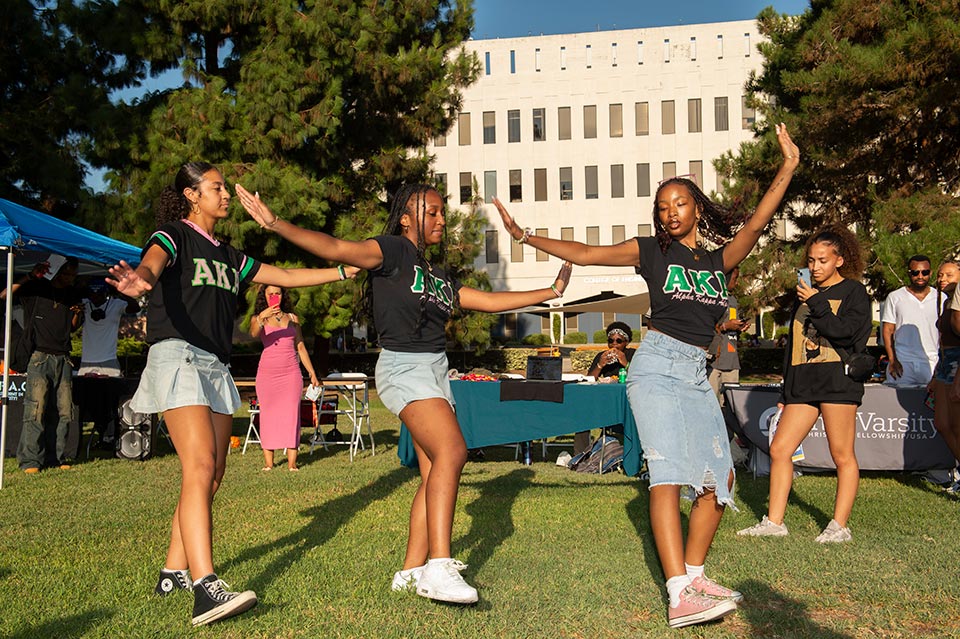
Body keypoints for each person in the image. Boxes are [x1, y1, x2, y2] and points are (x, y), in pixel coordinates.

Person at [496, 124, 799, 628]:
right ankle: (678, 592)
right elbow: (590, 254)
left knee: (718, 478)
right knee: (668, 475)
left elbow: (756, 223)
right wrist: (526, 236)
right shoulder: (651, 252)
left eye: (678, 203)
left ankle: (696, 574)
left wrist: (786, 168)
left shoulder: (718, 259)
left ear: (696, 208)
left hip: (697, 374)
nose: (669, 213)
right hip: (656, 368)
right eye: (661, 207)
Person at [236, 181, 572, 605]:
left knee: (435, 470)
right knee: (453, 452)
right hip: (402, 367)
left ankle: (412, 570)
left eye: (441, 212)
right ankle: (439, 566)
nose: (439, 219)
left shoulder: (435, 274)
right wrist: (276, 224)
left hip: (434, 370)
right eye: (429, 211)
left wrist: (552, 293)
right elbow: (337, 248)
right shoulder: (391, 251)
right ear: (406, 216)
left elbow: (484, 300)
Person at [107, 162, 350, 627]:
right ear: (192, 195)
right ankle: (205, 588)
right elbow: (151, 264)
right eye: (216, 188)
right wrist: (140, 281)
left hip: (214, 364)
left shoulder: (230, 256)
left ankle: (172, 569)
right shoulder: (173, 235)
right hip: (177, 356)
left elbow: (284, 275)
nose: (225, 195)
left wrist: (341, 271)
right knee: (197, 466)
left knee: (213, 474)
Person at [738, 224, 871, 543]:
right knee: (780, 448)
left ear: (839, 260)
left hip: (838, 382)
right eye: (811, 260)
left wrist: (816, 303)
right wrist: (786, 391)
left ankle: (839, 526)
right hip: (803, 386)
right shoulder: (805, 296)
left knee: (842, 455)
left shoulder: (853, 292)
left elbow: (846, 333)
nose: (815, 266)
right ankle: (774, 521)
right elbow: (794, 347)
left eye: (823, 260)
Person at [1, 257, 84, 473]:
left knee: (64, 411)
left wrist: (77, 313)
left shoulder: (71, 294)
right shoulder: (37, 289)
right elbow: (4, 295)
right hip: (39, 356)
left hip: (64, 357)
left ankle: (55, 457)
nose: (70, 279)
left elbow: (73, 327)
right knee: (35, 410)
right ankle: (30, 461)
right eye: (67, 274)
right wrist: (30, 275)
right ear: (58, 271)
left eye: (73, 275)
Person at [250, 284, 341, 472]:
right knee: (268, 415)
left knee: (292, 415)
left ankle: (292, 463)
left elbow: (300, 346)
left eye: (278, 293)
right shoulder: (259, 318)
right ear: (264, 296)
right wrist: (262, 316)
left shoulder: (292, 318)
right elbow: (253, 333)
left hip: (291, 373)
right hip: (267, 373)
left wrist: (312, 372)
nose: (274, 296)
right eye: (270, 294)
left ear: (283, 296)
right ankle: (269, 462)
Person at [78, 280, 140, 449]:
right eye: (93, 294)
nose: (96, 297)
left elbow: (135, 307)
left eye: (100, 293)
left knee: (111, 402)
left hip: (109, 361)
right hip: (87, 362)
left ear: (106, 293)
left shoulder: (116, 304)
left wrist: (120, 292)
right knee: (90, 402)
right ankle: (99, 435)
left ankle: (111, 436)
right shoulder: (84, 305)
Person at [880, 255, 944, 387]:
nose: (920, 276)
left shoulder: (941, 297)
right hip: (903, 363)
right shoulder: (895, 297)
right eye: (915, 272)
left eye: (924, 272)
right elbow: (888, 330)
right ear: (909, 273)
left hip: (932, 362)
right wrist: (892, 360)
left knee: (934, 405)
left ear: (930, 273)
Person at [577, 321, 636, 453]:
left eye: (618, 341)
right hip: (606, 400)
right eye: (611, 341)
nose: (614, 344)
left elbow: (641, 377)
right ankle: (581, 454)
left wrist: (625, 363)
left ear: (626, 342)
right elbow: (590, 379)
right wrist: (600, 365)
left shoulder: (633, 354)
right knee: (582, 412)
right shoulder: (602, 356)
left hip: (628, 401)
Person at [930, 260, 960, 492]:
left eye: (949, 275)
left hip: (957, 363)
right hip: (944, 363)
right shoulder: (947, 302)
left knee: (957, 425)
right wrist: (935, 374)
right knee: (941, 423)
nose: (942, 279)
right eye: (940, 275)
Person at [708, 267, 750, 403]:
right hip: (714, 361)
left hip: (731, 360)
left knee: (732, 405)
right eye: (735, 278)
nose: (736, 283)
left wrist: (739, 327)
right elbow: (707, 326)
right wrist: (725, 326)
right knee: (712, 404)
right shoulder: (712, 297)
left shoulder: (733, 300)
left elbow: (731, 322)